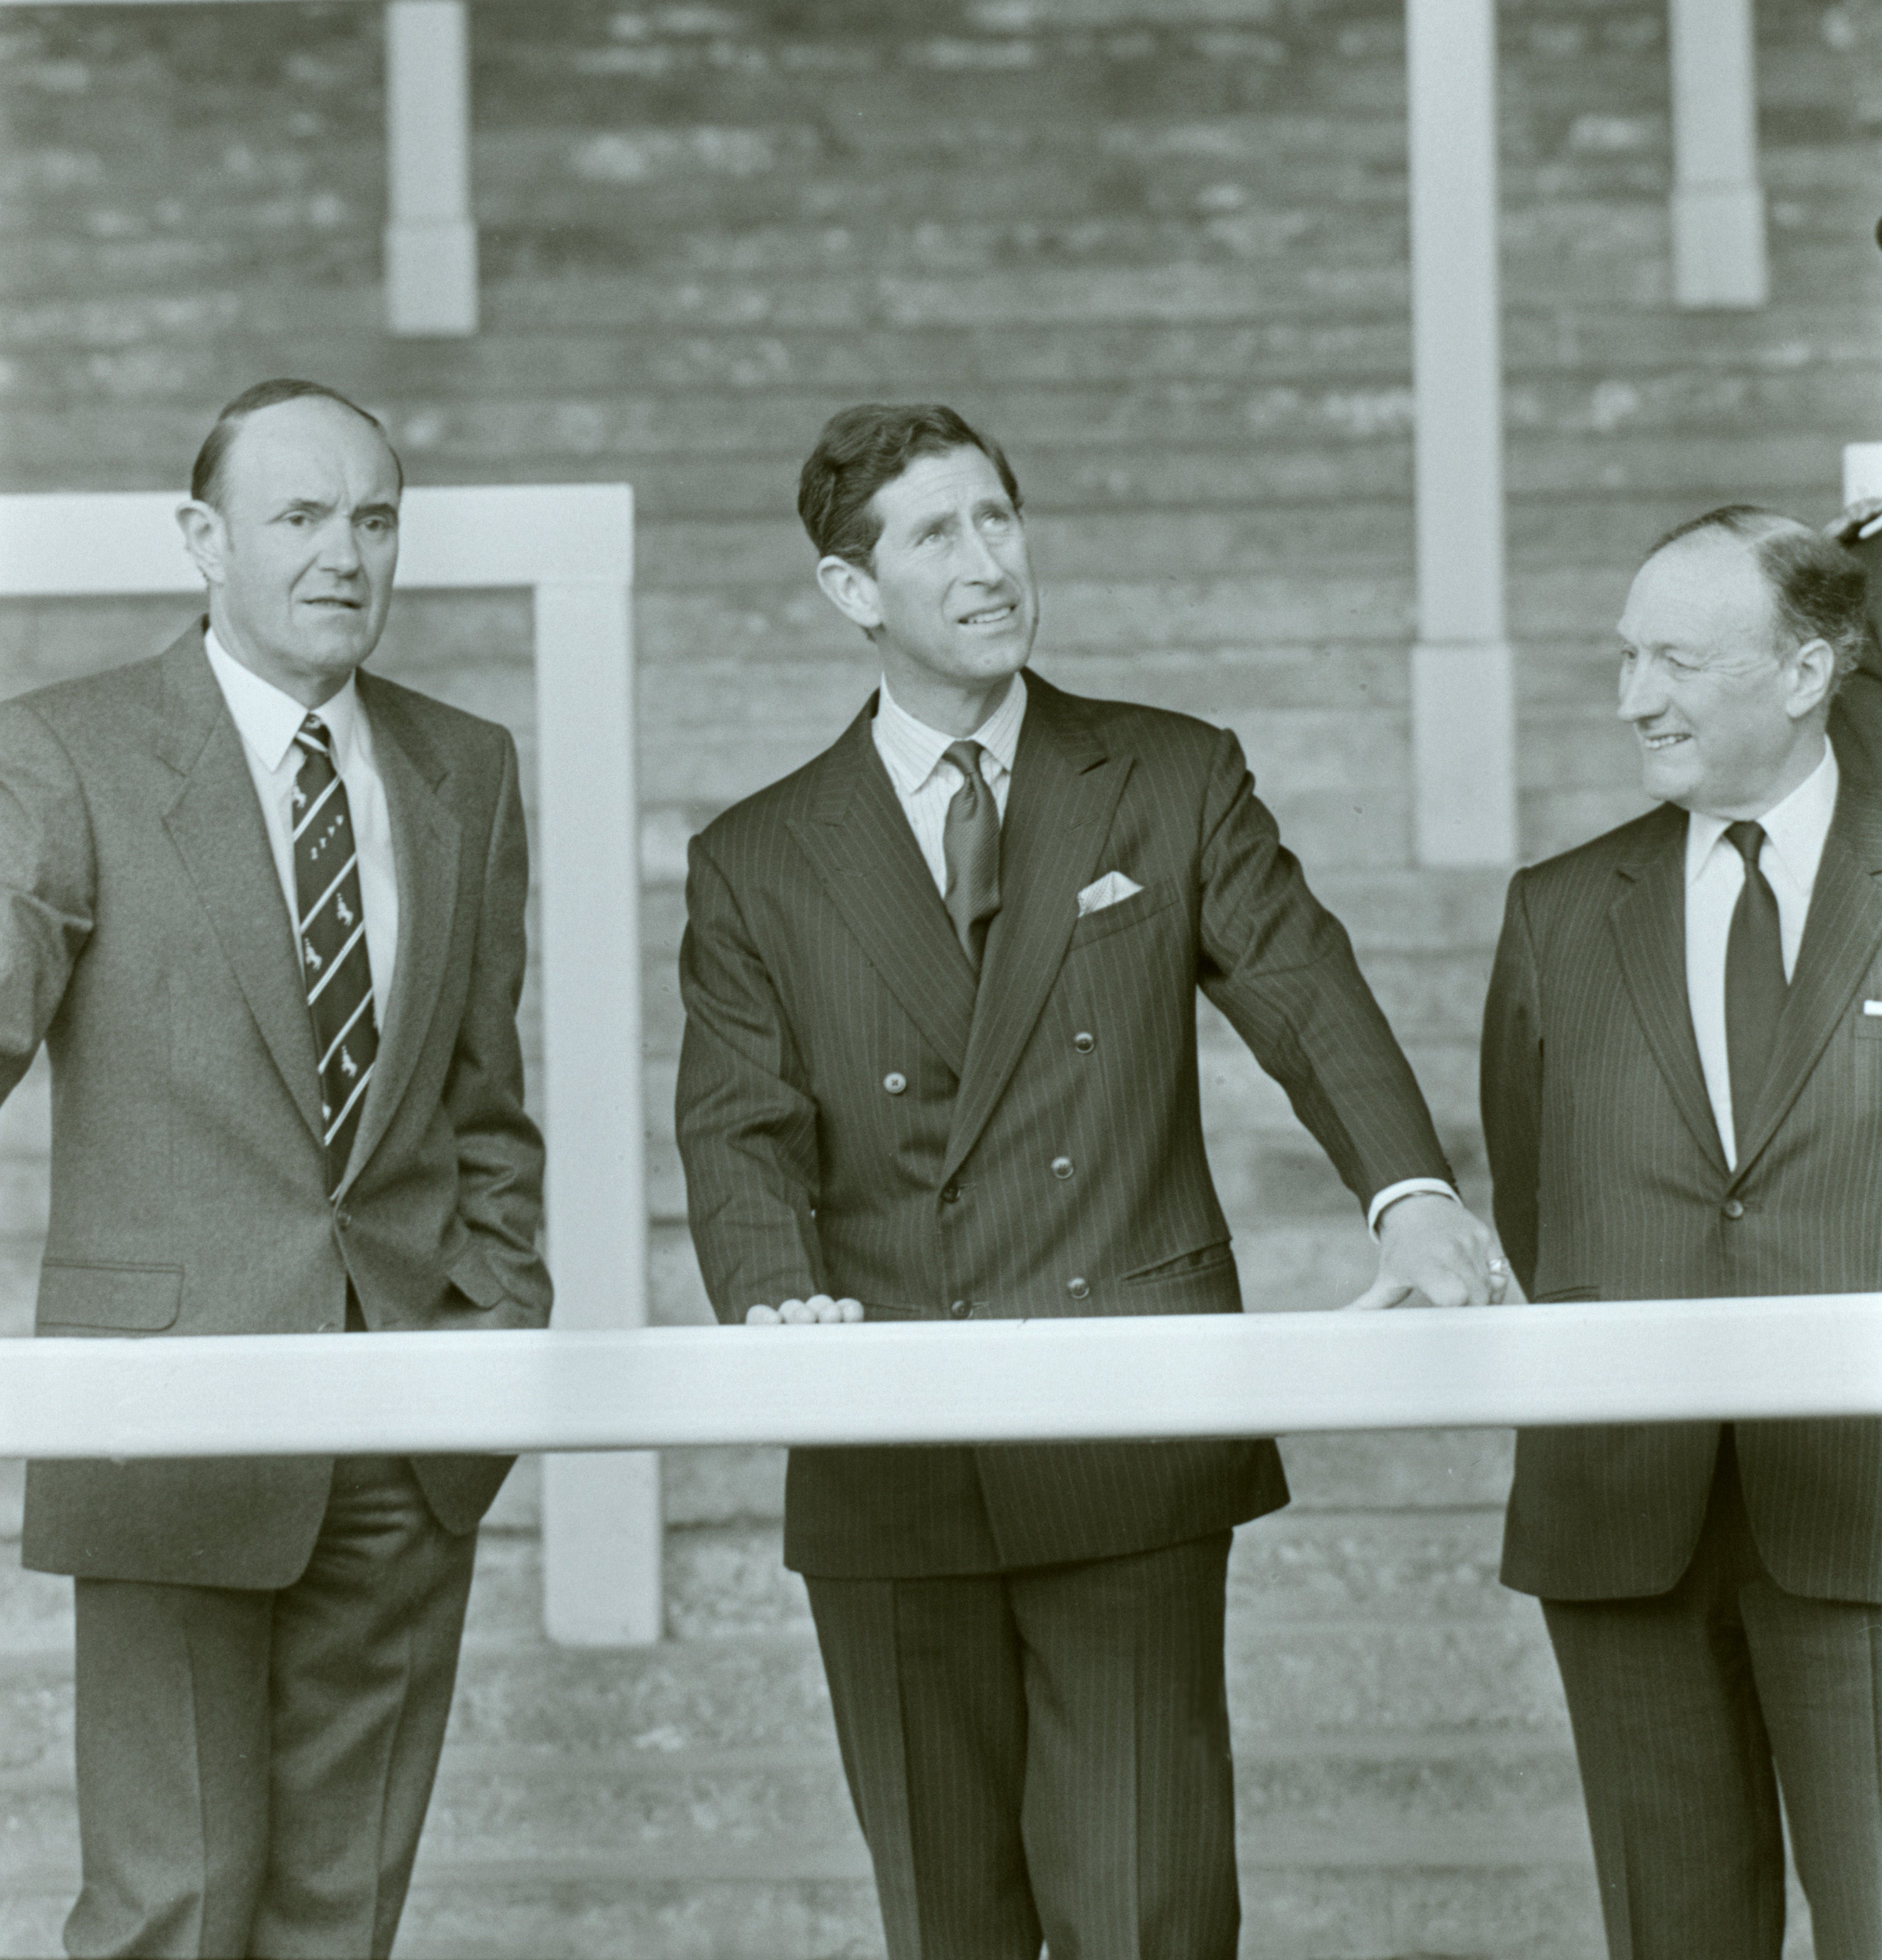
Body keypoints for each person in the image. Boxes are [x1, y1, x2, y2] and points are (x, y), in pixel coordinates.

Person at [677, 401, 1504, 1960]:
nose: (989, 562)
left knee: (1150, 1913)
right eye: (938, 536)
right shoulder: (760, 857)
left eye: (999, 518)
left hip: (1126, 1424)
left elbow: (1304, 993)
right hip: (893, 1445)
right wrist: (774, 1297)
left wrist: (1414, 1194)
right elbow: (737, 1129)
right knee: (948, 1920)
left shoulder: (1170, 776)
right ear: (853, 594)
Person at [0, 379, 552, 1960]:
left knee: (340, 1922)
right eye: (300, 517)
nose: (345, 555)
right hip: (167, 1424)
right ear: (204, 539)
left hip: (403, 1439)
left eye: (374, 519)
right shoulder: (65, 755)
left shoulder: (465, 768)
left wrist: (489, 1347)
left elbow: (482, 1106)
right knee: (168, 1913)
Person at [1481, 504, 1882, 1960]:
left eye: (1677, 662)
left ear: (1806, 671)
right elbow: (1535, 1200)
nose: (1633, 699)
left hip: (1865, 1512)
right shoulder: (1558, 913)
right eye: (1624, 656)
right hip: (1626, 1522)